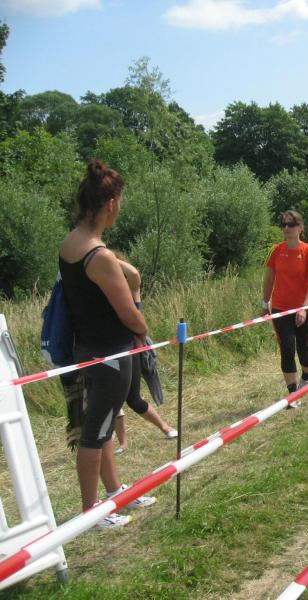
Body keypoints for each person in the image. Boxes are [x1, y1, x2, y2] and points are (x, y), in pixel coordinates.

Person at [59, 160, 154, 530]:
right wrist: (143, 328)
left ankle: (114, 492)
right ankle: (91, 512)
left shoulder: (73, 243)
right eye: (121, 201)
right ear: (111, 203)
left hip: (89, 349)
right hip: (110, 353)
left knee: (105, 424)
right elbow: (129, 314)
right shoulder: (99, 256)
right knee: (95, 433)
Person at [113, 254, 176, 454]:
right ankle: (122, 443)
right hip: (107, 351)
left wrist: (107, 257)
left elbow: (134, 274)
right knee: (113, 399)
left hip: (131, 348)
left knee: (133, 399)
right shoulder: (105, 291)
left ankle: (165, 427)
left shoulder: (131, 289)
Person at [263, 210, 308, 396]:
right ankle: (292, 394)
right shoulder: (275, 250)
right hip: (280, 309)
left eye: (291, 224)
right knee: (287, 349)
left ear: (301, 228)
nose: (287, 228)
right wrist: (265, 304)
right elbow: (269, 279)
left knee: (304, 350)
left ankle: (306, 376)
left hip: (305, 309)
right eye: (284, 224)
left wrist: (303, 309)